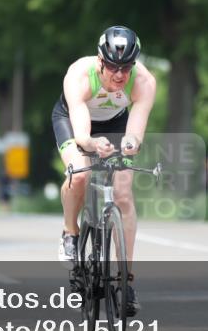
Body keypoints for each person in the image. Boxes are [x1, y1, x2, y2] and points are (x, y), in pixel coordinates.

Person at [52, 25, 156, 315]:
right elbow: (83, 134)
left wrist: (129, 145)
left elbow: (135, 133)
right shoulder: (79, 75)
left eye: (126, 67)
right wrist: (92, 144)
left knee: (122, 194)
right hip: (74, 121)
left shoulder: (144, 82)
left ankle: (126, 282)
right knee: (80, 173)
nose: (120, 74)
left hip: (115, 124)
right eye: (112, 66)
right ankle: (70, 232)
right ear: (100, 61)